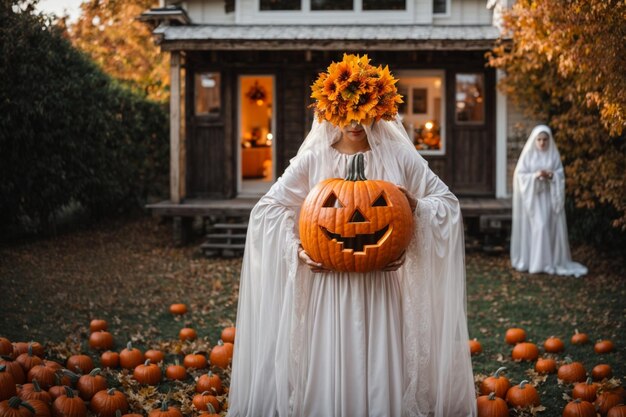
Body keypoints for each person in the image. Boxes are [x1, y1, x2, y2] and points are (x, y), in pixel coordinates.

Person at [227, 54, 476, 417]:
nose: (357, 121)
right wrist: (297, 250)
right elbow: (267, 209)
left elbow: (447, 203)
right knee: (331, 354)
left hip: (380, 283)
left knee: (378, 358)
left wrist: (414, 207)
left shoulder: (398, 157)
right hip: (329, 286)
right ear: (332, 111)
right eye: (348, 111)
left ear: (380, 109)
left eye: (365, 110)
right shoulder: (313, 159)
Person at [510, 125, 587, 277]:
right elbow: (520, 176)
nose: (542, 143)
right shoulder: (528, 155)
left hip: (550, 198)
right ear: (534, 140)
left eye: (545, 139)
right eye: (539, 139)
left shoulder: (553, 155)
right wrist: (535, 176)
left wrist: (551, 176)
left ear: (549, 140)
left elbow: (560, 174)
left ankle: (548, 263)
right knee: (540, 226)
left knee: (549, 227)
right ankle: (536, 263)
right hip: (533, 199)